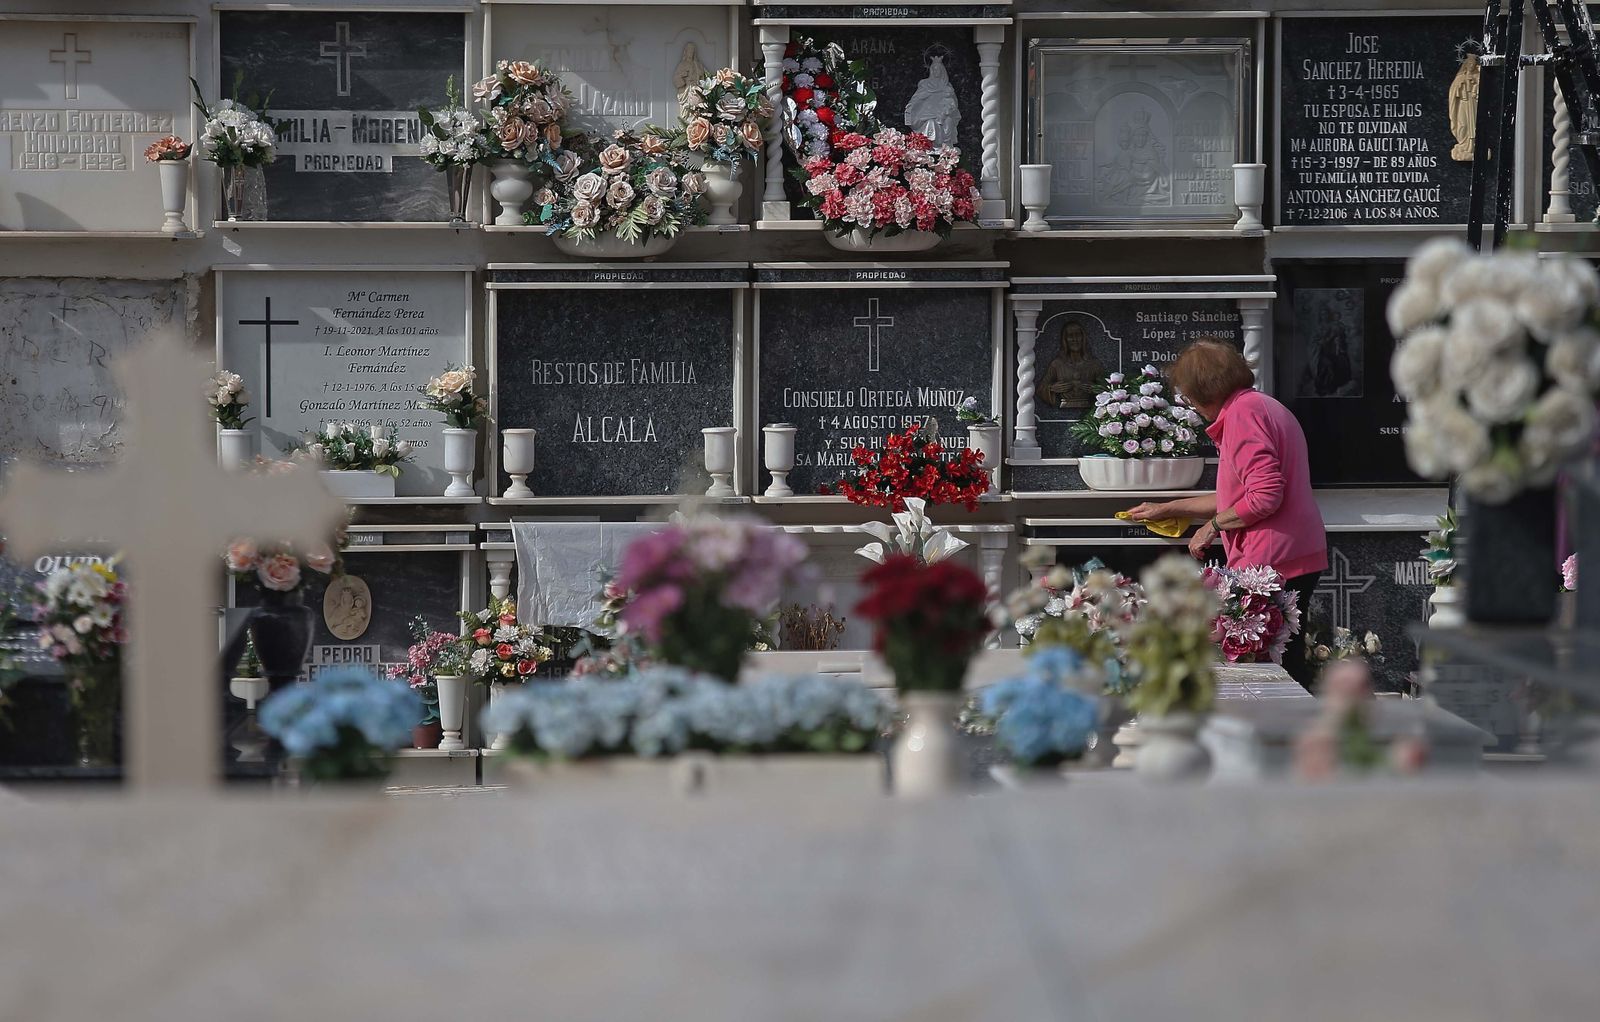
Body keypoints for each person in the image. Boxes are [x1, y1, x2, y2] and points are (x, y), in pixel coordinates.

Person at [1126, 339, 1328, 687]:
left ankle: (1284, 736)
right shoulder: (1261, 406)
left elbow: (1265, 496)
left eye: (1187, 396)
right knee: (1285, 662)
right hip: (1295, 551)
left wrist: (1212, 527)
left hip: (1272, 560)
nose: (1189, 403)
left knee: (1267, 668)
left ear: (1203, 390)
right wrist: (1171, 508)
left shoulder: (1242, 416)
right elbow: (1238, 494)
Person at [1036, 321, 1106, 411]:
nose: (1074, 339)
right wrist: (1052, 388)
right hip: (1064, 406)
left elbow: (1108, 389)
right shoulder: (1057, 364)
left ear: (1083, 338)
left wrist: (1095, 388)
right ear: (1065, 340)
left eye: (1078, 335)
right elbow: (1041, 389)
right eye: (1070, 336)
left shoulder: (1094, 364)